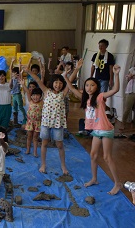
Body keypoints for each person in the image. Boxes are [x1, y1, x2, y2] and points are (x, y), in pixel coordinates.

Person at [64, 64, 123, 195]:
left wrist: (116, 74)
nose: (89, 88)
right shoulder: (86, 99)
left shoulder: (100, 97)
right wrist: (66, 76)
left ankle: (117, 183)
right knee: (93, 155)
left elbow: (115, 89)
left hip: (105, 129)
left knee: (107, 157)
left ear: (97, 87)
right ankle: (94, 179)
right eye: (87, 85)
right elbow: (71, 89)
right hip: (96, 130)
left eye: (92, 85)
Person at [26, 68, 69, 175]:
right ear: (52, 83)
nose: (58, 85)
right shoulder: (46, 91)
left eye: (60, 83)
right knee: (44, 144)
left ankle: (63, 166)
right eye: (56, 82)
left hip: (58, 124)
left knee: (60, 145)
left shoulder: (62, 94)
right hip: (45, 123)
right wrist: (29, 72)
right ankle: (43, 164)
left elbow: (70, 83)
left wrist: (76, 69)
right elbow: (38, 80)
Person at [20, 81, 43, 157]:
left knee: (35, 138)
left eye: (37, 95)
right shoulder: (30, 101)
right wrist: (23, 84)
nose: (35, 97)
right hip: (30, 122)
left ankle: (35, 151)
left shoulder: (42, 103)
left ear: (40, 96)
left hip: (38, 123)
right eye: (33, 95)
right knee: (29, 136)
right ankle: (28, 149)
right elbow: (27, 91)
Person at [10, 58, 26, 126]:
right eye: (13, 73)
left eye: (14, 73)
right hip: (13, 95)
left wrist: (20, 62)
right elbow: (10, 69)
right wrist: (12, 62)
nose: (13, 74)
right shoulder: (12, 78)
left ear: (16, 73)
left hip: (18, 94)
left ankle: (25, 118)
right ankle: (15, 121)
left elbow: (19, 71)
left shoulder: (19, 78)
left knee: (20, 107)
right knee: (14, 107)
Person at [120, 66, 135, 132]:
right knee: (127, 108)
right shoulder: (132, 69)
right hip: (131, 91)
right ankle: (123, 124)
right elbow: (127, 78)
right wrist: (130, 77)